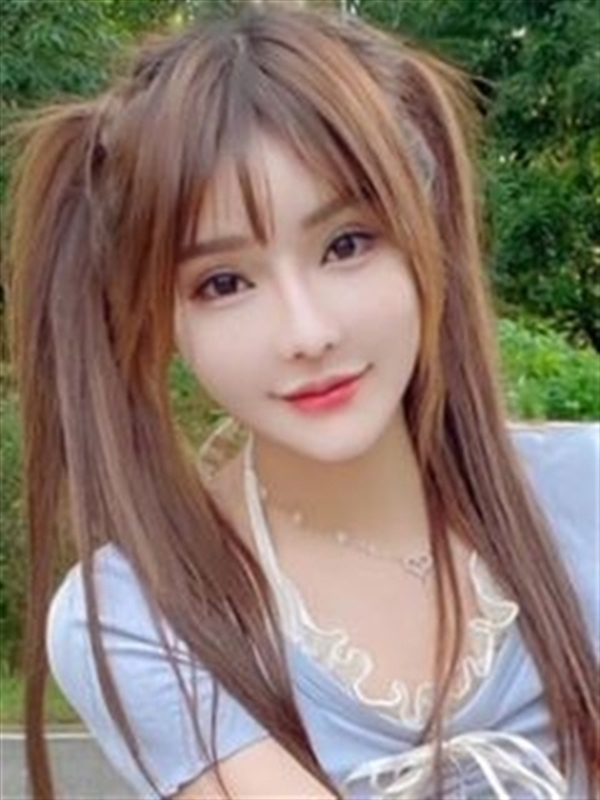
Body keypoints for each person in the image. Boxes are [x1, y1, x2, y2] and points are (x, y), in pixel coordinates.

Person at [7, 4, 598, 799]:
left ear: (428, 235)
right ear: (156, 317)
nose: (307, 331)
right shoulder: (142, 615)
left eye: (347, 244)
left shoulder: (585, 493)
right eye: (223, 283)